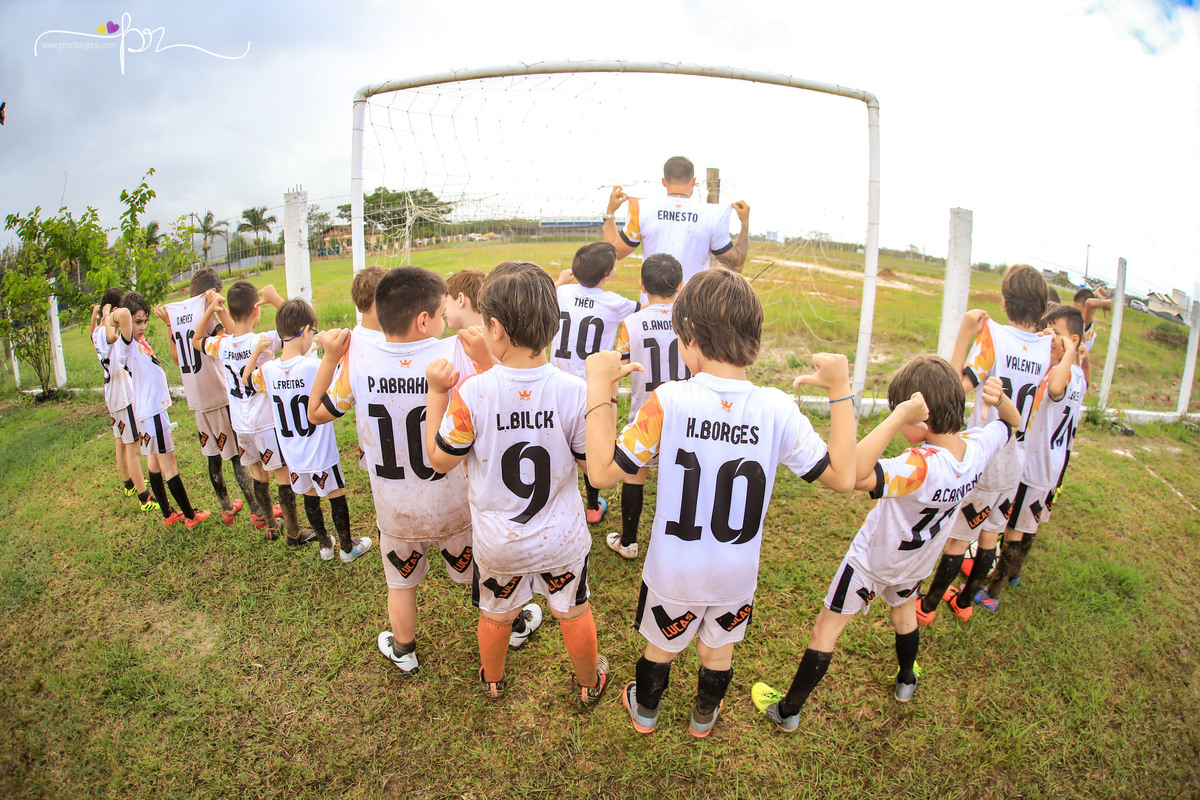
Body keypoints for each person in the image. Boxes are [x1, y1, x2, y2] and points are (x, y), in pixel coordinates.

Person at [583, 267, 858, 738]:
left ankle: (646, 710)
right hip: (735, 573)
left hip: (674, 571)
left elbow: (602, 472)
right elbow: (843, 476)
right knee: (718, 653)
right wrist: (839, 391)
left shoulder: (667, 401)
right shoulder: (777, 408)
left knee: (660, 649)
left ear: (689, 336)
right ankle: (703, 717)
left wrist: (598, 385)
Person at [751, 357, 1019, 731]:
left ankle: (787, 711)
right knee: (904, 615)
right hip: (916, 563)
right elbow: (1011, 424)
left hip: (870, 564)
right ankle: (906, 680)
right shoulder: (976, 447)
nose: (897, 416)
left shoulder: (918, 467)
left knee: (825, 631)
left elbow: (853, 472)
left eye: (902, 412)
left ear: (921, 421)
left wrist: (893, 421)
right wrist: (1002, 399)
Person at [426, 262, 608, 706]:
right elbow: (591, 466)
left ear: (495, 328)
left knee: (495, 614)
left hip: (499, 542)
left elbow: (438, 460)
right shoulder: (575, 391)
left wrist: (436, 393)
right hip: (562, 539)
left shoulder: (471, 393)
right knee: (574, 611)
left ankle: (493, 680)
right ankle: (588, 683)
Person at [308, 267, 501, 676]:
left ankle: (404, 648)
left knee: (400, 584)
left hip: (395, 508)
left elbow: (316, 412)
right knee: (478, 573)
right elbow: (500, 397)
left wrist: (328, 358)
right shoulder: (457, 353)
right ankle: (513, 623)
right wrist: (485, 358)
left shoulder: (358, 358)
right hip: (454, 502)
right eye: (440, 310)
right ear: (424, 320)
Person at [917, 265, 1051, 623]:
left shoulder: (995, 336)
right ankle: (965, 602)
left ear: (1005, 303)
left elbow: (954, 389)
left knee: (960, 539)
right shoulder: (1048, 347)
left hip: (986, 453)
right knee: (990, 535)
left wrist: (963, 336)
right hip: (1016, 456)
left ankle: (927, 606)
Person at [975, 305, 1087, 610]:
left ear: (1073, 340)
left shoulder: (1062, 375)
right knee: (1029, 521)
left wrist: (1067, 352)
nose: (1050, 337)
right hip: (1051, 465)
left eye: (1057, 333)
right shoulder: (1080, 377)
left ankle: (993, 592)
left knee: (1014, 527)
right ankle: (1015, 574)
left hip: (1035, 466)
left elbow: (1053, 388)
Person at [245, 298, 371, 562]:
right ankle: (348, 548)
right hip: (319, 450)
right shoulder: (314, 367)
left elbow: (249, 380)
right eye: (312, 331)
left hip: (292, 453)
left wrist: (258, 355)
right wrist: (326, 341)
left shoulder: (267, 371)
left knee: (310, 495)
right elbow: (342, 360)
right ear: (305, 331)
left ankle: (325, 545)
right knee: (336, 494)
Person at [156, 268, 255, 525]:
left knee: (213, 455)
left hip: (197, 400)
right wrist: (217, 308)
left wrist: (168, 323)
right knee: (234, 455)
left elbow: (178, 357)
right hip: (217, 396)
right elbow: (235, 337)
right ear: (213, 292)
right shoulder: (207, 314)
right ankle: (256, 508)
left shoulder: (179, 317)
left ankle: (225, 507)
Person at [193, 282, 291, 540]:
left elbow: (197, 340)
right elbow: (298, 327)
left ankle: (271, 527)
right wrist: (277, 298)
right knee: (281, 474)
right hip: (266, 421)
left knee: (259, 474)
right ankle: (293, 530)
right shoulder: (265, 340)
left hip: (241, 424)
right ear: (256, 311)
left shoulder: (222, 344)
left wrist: (211, 310)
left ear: (231, 314)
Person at [607, 253, 689, 559]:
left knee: (634, 474)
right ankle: (678, 544)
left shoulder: (632, 322)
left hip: (647, 410)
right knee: (681, 473)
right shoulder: (692, 319)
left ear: (642, 285)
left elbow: (622, 366)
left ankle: (628, 542)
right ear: (681, 285)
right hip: (684, 411)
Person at [553, 242, 639, 525]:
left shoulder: (561, 293)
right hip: (591, 388)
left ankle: (554, 498)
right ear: (607, 274)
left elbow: (548, 294)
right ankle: (591, 507)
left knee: (557, 442)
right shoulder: (614, 302)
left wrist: (559, 281)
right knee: (590, 448)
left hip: (557, 383)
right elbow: (649, 308)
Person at [110, 293, 210, 530]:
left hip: (149, 412)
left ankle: (168, 514)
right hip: (152, 414)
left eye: (144, 321)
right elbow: (122, 314)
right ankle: (190, 515)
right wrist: (112, 315)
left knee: (154, 463)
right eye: (137, 321)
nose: (142, 326)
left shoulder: (138, 343)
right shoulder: (126, 345)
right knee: (170, 466)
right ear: (127, 323)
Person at [603, 156, 750, 287]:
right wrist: (744, 223)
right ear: (693, 182)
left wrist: (610, 213)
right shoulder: (712, 214)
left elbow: (611, 254)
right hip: (693, 308)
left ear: (664, 182)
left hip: (652, 308)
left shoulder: (642, 209)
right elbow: (736, 266)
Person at [90, 288, 153, 511]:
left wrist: (97, 315)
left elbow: (94, 334)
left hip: (111, 395)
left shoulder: (95, 331)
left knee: (120, 440)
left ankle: (128, 483)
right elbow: (111, 337)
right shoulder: (108, 331)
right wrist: (108, 316)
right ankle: (144, 497)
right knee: (133, 447)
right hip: (123, 396)